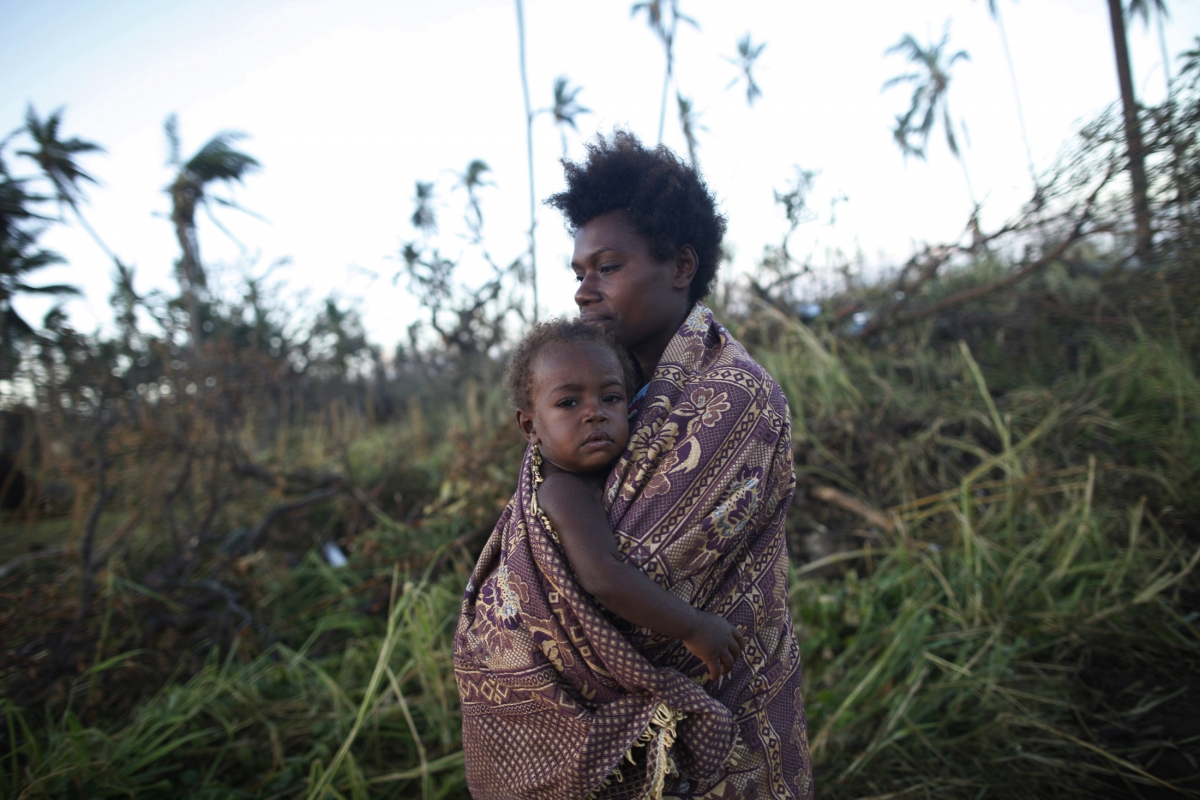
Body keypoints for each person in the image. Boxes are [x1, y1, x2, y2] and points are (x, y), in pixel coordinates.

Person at [455, 131, 812, 800]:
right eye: (579, 273)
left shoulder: (733, 398)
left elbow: (630, 573)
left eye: (608, 267)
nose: (585, 291)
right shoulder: (599, 388)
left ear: (681, 267)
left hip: (721, 697)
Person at [507, 319, 746, 682]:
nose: (594, 412)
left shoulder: (619, 471)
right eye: (568, 402)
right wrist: (694, 627)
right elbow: (603, 576)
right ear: (530, 427)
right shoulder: (563, 490)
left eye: (611, 397)